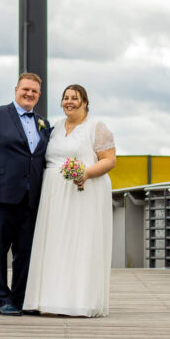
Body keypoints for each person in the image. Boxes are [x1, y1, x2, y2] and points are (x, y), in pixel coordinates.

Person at [23, 84, 117, 317]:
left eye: (75, 98)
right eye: (65, 98)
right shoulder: (53, 127)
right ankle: (50, 300)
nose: (69, 102)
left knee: (80, 243)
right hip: (53, 195)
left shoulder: (96, 127)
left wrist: (85, 173)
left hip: (84, 192)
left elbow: (109, 160)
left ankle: (79, 300)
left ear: (85, 102)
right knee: (54, 244)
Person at [0, 73, 51, 316]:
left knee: (25, 252)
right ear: (16, 89)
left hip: (31, 199)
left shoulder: (43, 123)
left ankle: (20, 298)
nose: (29, 94)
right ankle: (2, 300)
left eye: (34, 91)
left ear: (39, 95)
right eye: (26, 89)